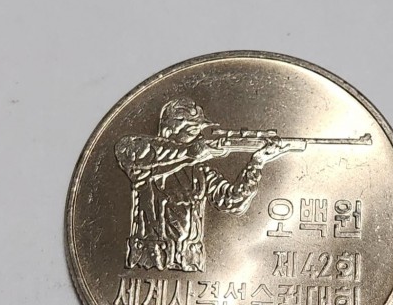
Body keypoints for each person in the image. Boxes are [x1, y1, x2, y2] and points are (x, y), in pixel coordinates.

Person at [115, 97, 287, 272]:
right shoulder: (143, 162)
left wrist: (256, 163)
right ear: (168, 131)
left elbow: (231, 201)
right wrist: (189, 152)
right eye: (192, 130)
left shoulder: (200, 171)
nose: (198, 136)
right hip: (149, 262)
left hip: (189, 262)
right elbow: (127, 149)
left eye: (199, 130)